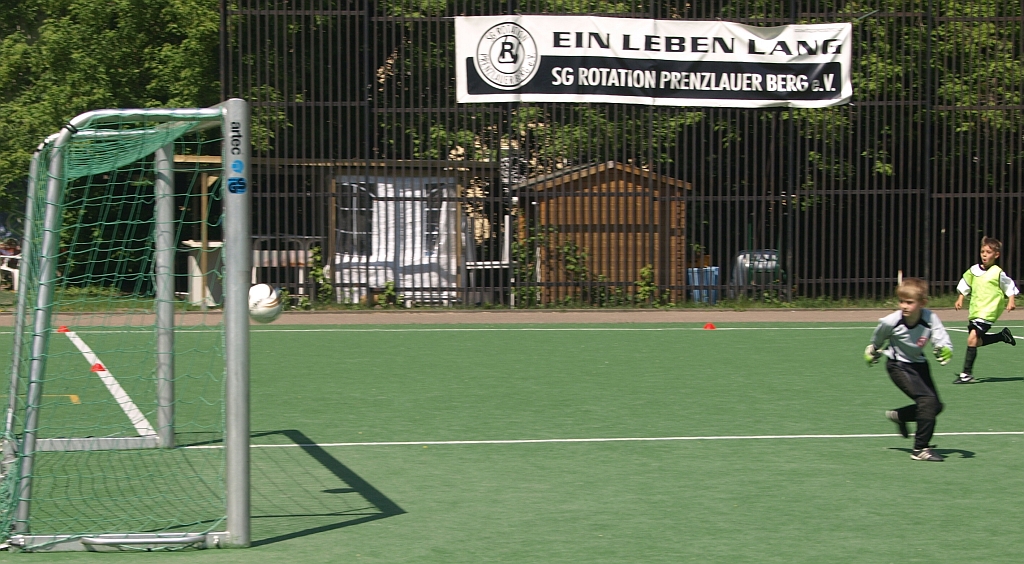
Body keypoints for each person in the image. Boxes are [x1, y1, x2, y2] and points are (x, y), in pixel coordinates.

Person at [864, 278, 952, 462]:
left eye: (909, 302)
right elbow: (878, 337)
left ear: (922, 303)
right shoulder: (892, 321)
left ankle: (900, 416)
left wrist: (944, 349)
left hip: (919, 364)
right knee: (927, 402)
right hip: (898, 365)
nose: (904, 306)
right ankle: (920, 448)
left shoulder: (930, 318)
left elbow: (940, 337)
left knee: (935, 406)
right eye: (901, 301)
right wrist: (872, 350)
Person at [952, 236, 1017, 384]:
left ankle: (966, 374)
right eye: (982, 252)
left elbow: (1009, 286)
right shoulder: (974, 270)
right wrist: (960, 298)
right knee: (976, 342)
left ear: (996, 255)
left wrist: (1011, 300)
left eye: (988, 252)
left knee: (972, 338)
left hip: (988, 311)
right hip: (976, 310)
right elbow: (965, 283)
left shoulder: (997, 272)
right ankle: (1002, 336)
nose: (984, 255)